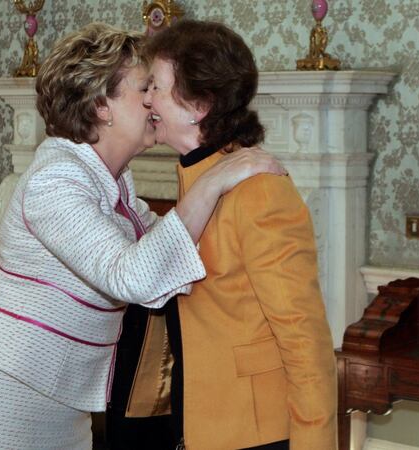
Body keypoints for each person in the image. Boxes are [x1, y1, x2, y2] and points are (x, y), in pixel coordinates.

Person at [0, 23, 285, 449]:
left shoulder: (111, 180)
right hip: (5, 398)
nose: (154, 100)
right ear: (101, 105)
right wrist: (213, 183)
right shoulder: (55, 181)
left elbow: (168, 242)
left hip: (62, 404)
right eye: (145, 88)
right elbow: (131, 275)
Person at [123, 19, 338, 449]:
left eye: (156, 88)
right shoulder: (197, 179)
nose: (146, 99)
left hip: (256, 433)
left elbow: (304, 339)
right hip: (203, 422)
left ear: (199, 105)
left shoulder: (260, 191)